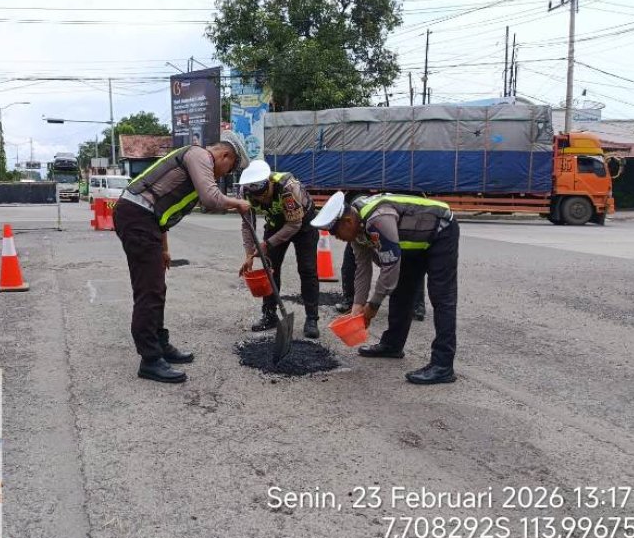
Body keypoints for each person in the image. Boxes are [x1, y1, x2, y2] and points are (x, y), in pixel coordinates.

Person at [114, 131, 251, 384]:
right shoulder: (199, 155)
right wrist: (238, 204)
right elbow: (211, 199)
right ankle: (150, 360)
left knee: (156, 287)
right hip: (137, 217)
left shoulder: (199, 160)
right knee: (149, 290)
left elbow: (162, 212)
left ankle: (160, 344)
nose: (225, 173)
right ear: (225, 155)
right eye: (230, 167)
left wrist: (164, 248)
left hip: (147, 220)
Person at [311, 191, 460, 385]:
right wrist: (358, 305)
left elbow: (390, 266)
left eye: (335, 232)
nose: (336, 238)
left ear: (347, 221)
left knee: (442, 297)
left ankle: (443, 365)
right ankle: (392, 345)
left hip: (440, 231)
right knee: (401, 290)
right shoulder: (357, 231)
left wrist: (372, 306)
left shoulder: (377, 220)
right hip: (414, 240)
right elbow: (362, 269)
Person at [237, 161, 320, 339]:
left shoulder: (288, 187)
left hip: (303, 224)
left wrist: (267, 244)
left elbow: (294, 224)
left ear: (270, 184)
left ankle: (312, 319)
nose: (262, 200)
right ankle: (269, 315)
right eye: (257, 197)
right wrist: (249, 254)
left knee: (307, 270)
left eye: (264, 195)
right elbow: (247, 225)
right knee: (270, 269)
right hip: (276, 223)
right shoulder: (245, 192)